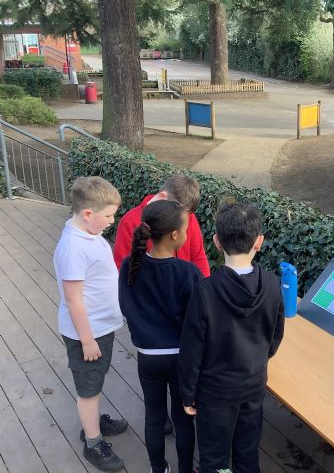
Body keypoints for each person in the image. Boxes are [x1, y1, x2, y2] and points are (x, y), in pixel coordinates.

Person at [178, 203, 285, 473]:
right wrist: (257, 360)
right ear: (259, 242)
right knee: (247, 452)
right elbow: (275, 335)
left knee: (215, 458)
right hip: (253, 385)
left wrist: (188, 393)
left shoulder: (205, 291)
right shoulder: (272, 284)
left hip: (214, 393)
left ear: (216, 242)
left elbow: (192, 351)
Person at [119, 200, 202, 473]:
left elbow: (126, 307)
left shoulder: (130, 266)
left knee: (154, 418)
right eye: (186, 229)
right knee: (183, 419)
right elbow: (198, 320)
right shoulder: (188, 272)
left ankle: (158, 468)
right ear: (175, 235)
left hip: (148, 357)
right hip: (181, 358)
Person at [53, 176, 127, 472]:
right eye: (108, 216)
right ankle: (93, 441)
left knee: (95, 381)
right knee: (88, 389)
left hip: (100, 328)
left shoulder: (88, 233)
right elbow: (74, 301)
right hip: (88, 333)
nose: (112, 221)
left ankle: (93, 422)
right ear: (87, 213)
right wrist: (87, 340)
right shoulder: (73, 248)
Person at [113, 174, 210, 277]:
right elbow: (123, 269)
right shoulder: (129, 222)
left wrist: (204, 285)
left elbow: (198, 256)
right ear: (162, 197)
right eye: (176, 210)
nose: (182, 217)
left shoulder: (186, 215)